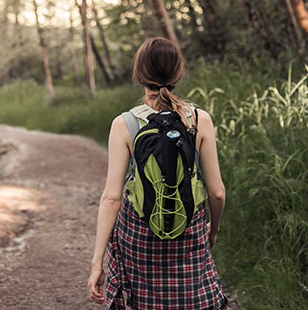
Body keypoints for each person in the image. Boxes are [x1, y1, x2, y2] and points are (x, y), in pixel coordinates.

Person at [87, 37, 228, 309]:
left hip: (139, 237)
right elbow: (217, 192)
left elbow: (112, 198)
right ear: (178, 73)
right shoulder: (199, 120)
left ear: (139, 75)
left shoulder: (124, 124)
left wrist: (97, 263)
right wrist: (213, 230)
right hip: (188, 231)